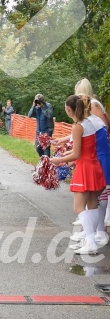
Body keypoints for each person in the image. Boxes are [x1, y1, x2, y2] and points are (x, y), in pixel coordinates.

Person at [51, 95, 105, 255]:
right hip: (95, 166)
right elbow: (84, 149)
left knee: (79, 207)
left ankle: (90, 242)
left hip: (85, 169)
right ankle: (90, 240)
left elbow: (76, 154)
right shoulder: (89, 122)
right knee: (92, 205)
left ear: (69, 109)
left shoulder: (77, 127)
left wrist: (58, 160)